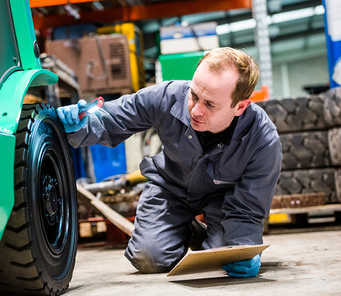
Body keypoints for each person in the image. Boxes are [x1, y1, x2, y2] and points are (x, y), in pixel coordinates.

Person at [57, 47, 282, 277]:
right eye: (194, 95)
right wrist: (79, 124)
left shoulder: (263, 141)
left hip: (224, 199)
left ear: (240, 107)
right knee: (149, 257)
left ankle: (211, 237)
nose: (196, 110)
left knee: (223, 257)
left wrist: (244, 249)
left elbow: (247, 209)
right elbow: (112, 118)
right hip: (171, 187)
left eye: (210, 104)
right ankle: (182, 229)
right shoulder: (167, 96)